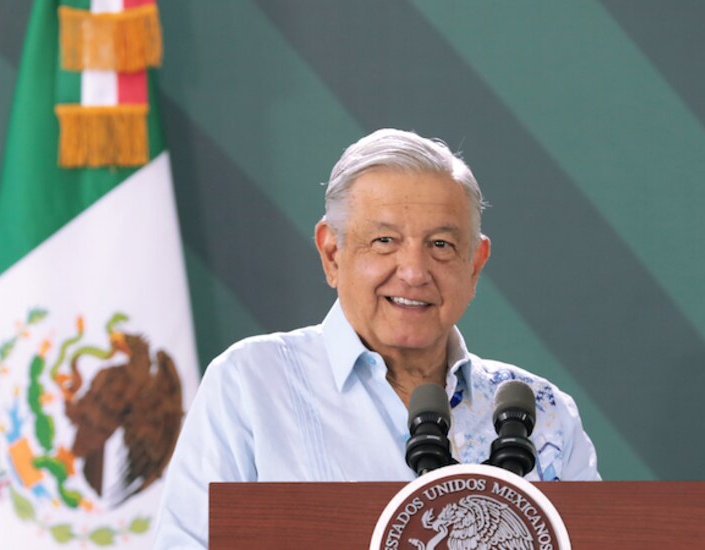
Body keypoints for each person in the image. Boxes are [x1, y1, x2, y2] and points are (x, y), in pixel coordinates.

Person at [153, 129, 599, 548]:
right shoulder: (251, 384)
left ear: (475, 263)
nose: (413, 272)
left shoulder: (543, 413)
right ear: (332, 253)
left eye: (441, 245)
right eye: (384, 240)